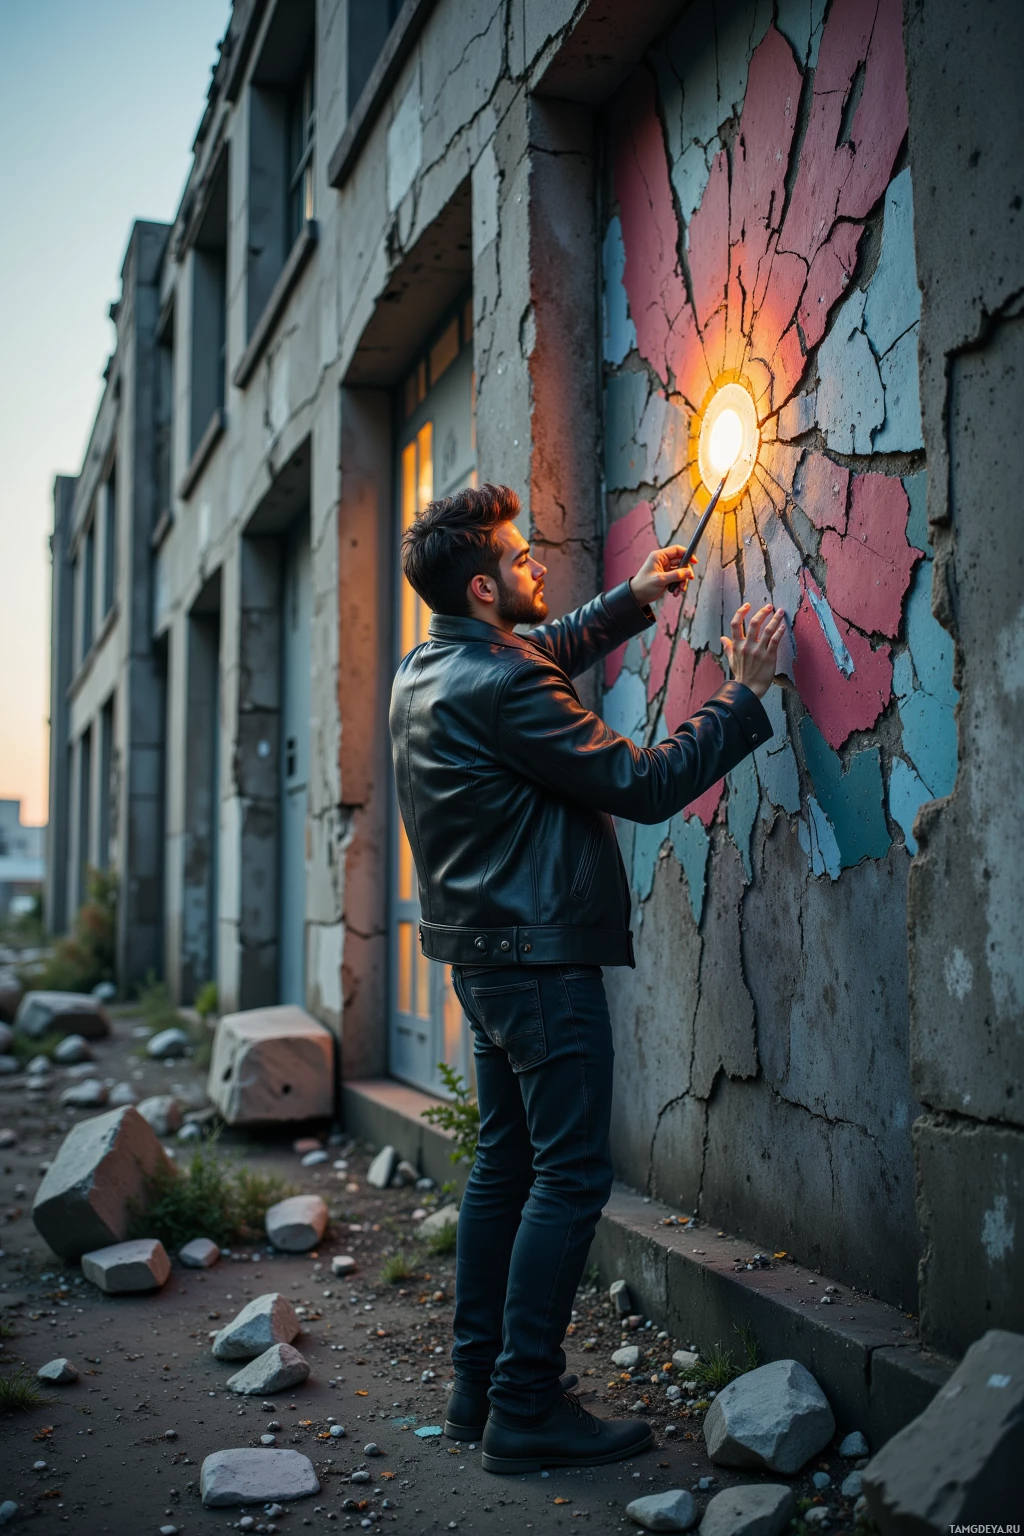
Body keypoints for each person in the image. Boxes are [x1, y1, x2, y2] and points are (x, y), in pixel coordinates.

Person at [390, 482, 785, 1474]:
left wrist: (631, 599)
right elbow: (645, 785)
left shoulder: (430, 666)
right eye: (519, 561)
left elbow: (527, 662)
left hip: (482, 965)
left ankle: (478, 1390)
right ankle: (527, 1405)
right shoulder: (503, 682)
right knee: (568, 1179)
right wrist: (741, 694)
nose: (536, 569)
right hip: (540, 965)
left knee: (504, 1170)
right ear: (484, 588)